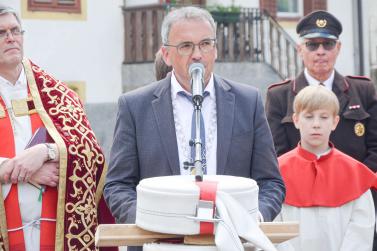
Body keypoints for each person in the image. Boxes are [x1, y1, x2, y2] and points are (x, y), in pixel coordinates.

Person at [104, 6, 285, 249]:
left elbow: (271, 182)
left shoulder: (247, 101)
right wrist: (150, 223)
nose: (197, 54)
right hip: (160, 242)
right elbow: (117, 185)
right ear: (166, 55)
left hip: (232, 241)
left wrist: (252, 220)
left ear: (215, 50)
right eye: (186, 46)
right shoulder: (135, 106)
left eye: (205, 44)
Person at [0, 5, 113, 251]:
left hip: (56, 234)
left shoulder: (55, 93)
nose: (10, 37)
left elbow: (90, 152)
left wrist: (46, 152)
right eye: (1, 33)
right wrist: (20, 171)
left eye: (15, 30)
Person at [265, 11, 377, 248]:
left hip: (352, 204)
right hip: (294, 198)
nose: (320, 51)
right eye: (312, 44)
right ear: (300, 49)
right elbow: (274, 151)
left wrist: (351, 181)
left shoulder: (363, 90)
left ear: (338, 48)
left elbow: (375, 147)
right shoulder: (279, 95)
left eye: (328, 44)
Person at [276, 85, 377, 251]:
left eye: (324, 117)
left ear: (335, 122)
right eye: (308, 117)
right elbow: (274, 229)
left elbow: (361, 230)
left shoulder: (355, 173)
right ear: (296, 120)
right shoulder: (278, 171)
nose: (316, 124)